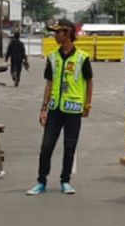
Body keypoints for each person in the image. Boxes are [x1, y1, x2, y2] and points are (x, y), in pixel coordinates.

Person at [28, 19, 92, 196]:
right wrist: (43, 109)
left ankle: (65, 181)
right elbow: (49, 84)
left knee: (69, 146)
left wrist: (88, 103)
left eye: (58, 32)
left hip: (73, 108)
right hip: (55, 108)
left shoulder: (82, 58)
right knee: (47, 145)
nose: (55, 36)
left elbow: (89, 81)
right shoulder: (52, 57)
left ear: (68, 33)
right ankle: (41, 181)